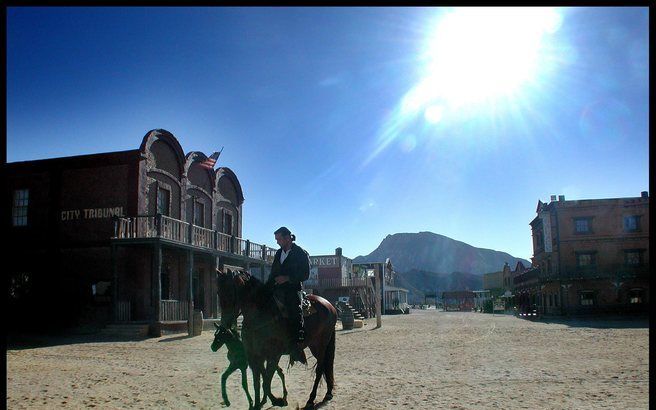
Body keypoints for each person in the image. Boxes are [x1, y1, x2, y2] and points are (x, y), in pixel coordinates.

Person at [266, 226, 310, 365]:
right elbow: (273, 273)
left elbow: (305, 274)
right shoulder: (279, 253)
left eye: (278, 239)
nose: (277, 242)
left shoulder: (300, 253)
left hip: (292, 289)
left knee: (294, 311)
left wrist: (287, 278)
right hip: (277, 288)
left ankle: (296, 345)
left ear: (287, 238)